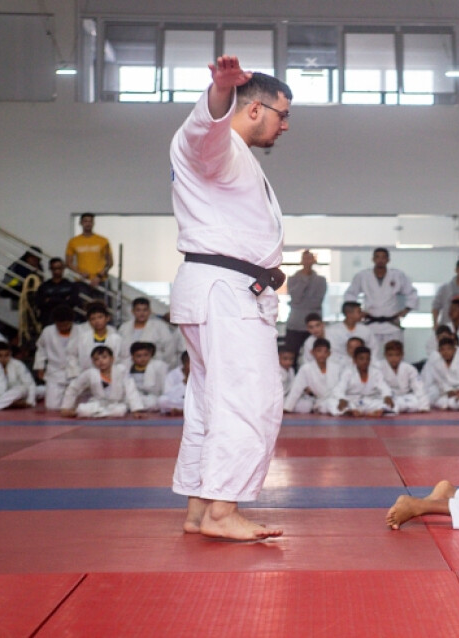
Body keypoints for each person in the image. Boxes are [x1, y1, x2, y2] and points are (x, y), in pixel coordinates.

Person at [169, 55, 290, 540]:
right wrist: (220, 90)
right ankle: (223, 511)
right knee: (249, 400)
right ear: (255, 109)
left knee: (212, 402)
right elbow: (206, 130)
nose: (286, 127)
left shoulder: (234, 156)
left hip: (220, 289)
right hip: (225, 293)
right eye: (283, 116)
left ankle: (201, 508)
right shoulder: (212, 145)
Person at [344, 247, 418, 358]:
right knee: (371, 357)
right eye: (377, 257)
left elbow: (412, 293)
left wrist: (406, 309)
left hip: (391, 324)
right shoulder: (363, 276)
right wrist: (357, 312)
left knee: (395, 357)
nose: (380, 260)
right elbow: (350, 294)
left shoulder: (397, 275)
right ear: (373, 259)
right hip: (371, 323)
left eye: (383, 257)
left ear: (388, 260)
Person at [60, 345, 145, 418]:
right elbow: (73, 387)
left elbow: (131, 389)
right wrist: (66, 407)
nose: (101, 361)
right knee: (84, 409)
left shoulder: (121, 370)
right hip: (97, 403)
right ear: (93, 362)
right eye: (96, 359)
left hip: (116, 404)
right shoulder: (90, 373)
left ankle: (97, 414)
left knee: (119, 410)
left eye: (104, 357)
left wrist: (136, 409)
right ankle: (99, 413)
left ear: (112, 358)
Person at [285, 250, 328, 364]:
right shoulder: (293, 279)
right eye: (305, 258)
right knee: (291, 356)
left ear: (314, 260)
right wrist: (303, 280)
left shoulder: (321, 280)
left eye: (310, 258)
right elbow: (296, 298)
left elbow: (317, 302)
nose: (307, 261)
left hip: (315, 326)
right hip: (295, 325)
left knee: (318, 355)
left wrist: (299, 304)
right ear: (301, 261)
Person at [284, 338, 344, 414]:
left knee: (347, 404)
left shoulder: (337, 367)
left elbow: (342, 387)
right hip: (322, 402)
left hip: (337, 398)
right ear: (312, 352)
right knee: (330, 405)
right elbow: (296, 389)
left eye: (325, 352)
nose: (322, 354)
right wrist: (287, 408)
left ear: (329, 353)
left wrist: (342, 398)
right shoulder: (306, 369)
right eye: (319, 351)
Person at [65, 302, 120, 379]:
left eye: (100, 317)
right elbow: (71, 354)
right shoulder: (82, 338)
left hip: (110, 377)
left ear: (107, 318)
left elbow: (121, 358)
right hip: (86, 375)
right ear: (89, 321)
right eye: (93, 319)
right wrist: (75, 373)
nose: (97, 321)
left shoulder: (116, 338)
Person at [333, 346, 393, 417]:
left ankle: (378, 411)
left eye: (367, 359)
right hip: (352, 401)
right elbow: (339, 388)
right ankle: (350, 411)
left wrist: (387, 396)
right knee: (332, 402)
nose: (365, 361)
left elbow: (384, 386)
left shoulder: (376, 372)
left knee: (392, 403)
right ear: (355, 360)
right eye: (361, 359)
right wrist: (341, 399)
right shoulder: (348, 372)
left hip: (370, 400)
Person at [118, 298, 177, 368]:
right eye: (138, 310)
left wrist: (162, 364)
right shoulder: (124, 327)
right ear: (132, 311)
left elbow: (169, 347)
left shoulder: (160, 326)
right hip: (129, 365)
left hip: (154, 364)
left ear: (150, 311)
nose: (142, 313)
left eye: (145, 310)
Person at [423, 337, 459, 410]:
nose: (446, 352)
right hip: (449, 392)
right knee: (440, 401)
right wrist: (449, 391)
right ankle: (456, 403)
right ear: (438, 351)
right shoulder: (436, 364)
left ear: (454, 350)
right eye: (442, 349)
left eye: (449, 349)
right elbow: (440, 383)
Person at [377, 340, 430, 413]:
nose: (394, 358)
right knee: (376, 402)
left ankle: (392, 408)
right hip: (385, 397)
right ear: (385, 355)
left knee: (416, 402)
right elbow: (378, 385)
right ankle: (391, 407)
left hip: (403, 397)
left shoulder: (409, 368)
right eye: (390, 355)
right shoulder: (378, 367)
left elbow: (418, 387)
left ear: (402, 355)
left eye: (397, 355)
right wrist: (386, 396)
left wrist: (424, 406)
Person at [66, 213, 113, 287]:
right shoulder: (73, 241)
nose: (88, 224)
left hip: (100, 281)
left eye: (90, 221)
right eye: (85, 221)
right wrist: (80, 273)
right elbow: (68, 263)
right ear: (81, 223)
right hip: (82, 280)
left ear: (93, 223)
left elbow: (110, 262)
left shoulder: (103, 240)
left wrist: (99, 276)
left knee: (100, 299)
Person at [326, 301, 372, 368]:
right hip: (339, 365)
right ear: (349, 314)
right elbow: (332, 352)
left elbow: (373, 348)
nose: (362, 314)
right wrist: (350, 361)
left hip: (363, 365)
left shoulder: (365, 330)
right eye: (359, 312)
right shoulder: (332, 330)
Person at [34, 258, 80, 324]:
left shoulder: (71, 285)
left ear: (63, 269)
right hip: (48, 320)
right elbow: (40, 303)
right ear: (50, 269)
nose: (57, 271)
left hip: (66, 319)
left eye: (59, 268)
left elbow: (74, 302)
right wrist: (64, 299)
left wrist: (50, 300)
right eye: (54, 268)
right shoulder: (44, 286)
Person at [0, 342, 37, 408]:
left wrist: (30, 401)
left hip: (20, 392)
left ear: (10, 354)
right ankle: (13, 403)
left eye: (6, 355)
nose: (3, 359)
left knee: (38, 390)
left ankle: (11, 403)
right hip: (1, 395)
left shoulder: (17, 364)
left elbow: (29, 384)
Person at [127, 342, 169, 412]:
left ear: (150, 355)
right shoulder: (127, 368)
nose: (143, 358)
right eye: (139, 356)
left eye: (146, 355)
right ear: (132, 357)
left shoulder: (159, 366)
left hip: (152, 397)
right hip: (135, 396)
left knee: (153, 402)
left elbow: (164, 386)